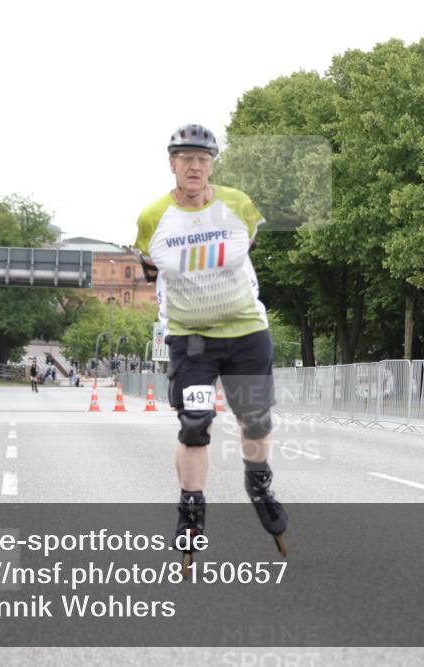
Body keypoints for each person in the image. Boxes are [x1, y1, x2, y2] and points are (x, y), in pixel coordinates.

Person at [133, 123, 286, 560]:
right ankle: (191, 510)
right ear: (172, 164)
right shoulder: (151, 219)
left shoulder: (238, 205)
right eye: (186, 159)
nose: (195, 167)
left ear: (212, 165)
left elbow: (245, 252)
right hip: (191, 339)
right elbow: (150, 268)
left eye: (203, 159)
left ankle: (259, 481)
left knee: (255, 420)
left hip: (246, 334)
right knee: (195, 423)